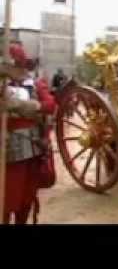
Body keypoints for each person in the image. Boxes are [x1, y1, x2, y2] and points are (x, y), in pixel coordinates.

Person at [2, 44, 56, 224]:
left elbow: (50, 105)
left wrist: (26, 106)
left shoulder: (34, 84)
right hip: (4, 149)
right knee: (6, 199)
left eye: (16, 66)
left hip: (31, 148)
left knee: (25, 199)